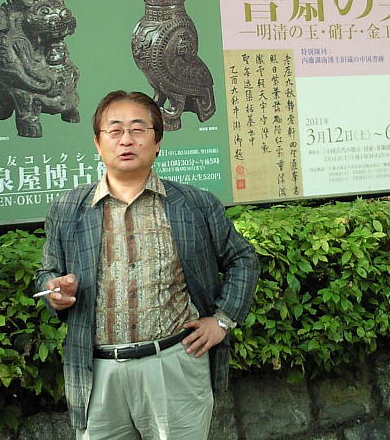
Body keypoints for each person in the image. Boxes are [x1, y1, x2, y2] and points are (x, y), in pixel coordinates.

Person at [34, 90, 260, 440]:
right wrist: (55, 292)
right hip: (97, 372)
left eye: (138, 129)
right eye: (114, 130)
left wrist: (222, 320)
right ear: (98, 143)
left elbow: (242, 258)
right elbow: (47, 273)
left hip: (174, 365)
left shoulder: (194, 204)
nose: (126, 140)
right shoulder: (67, 209)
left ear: (157, 143)